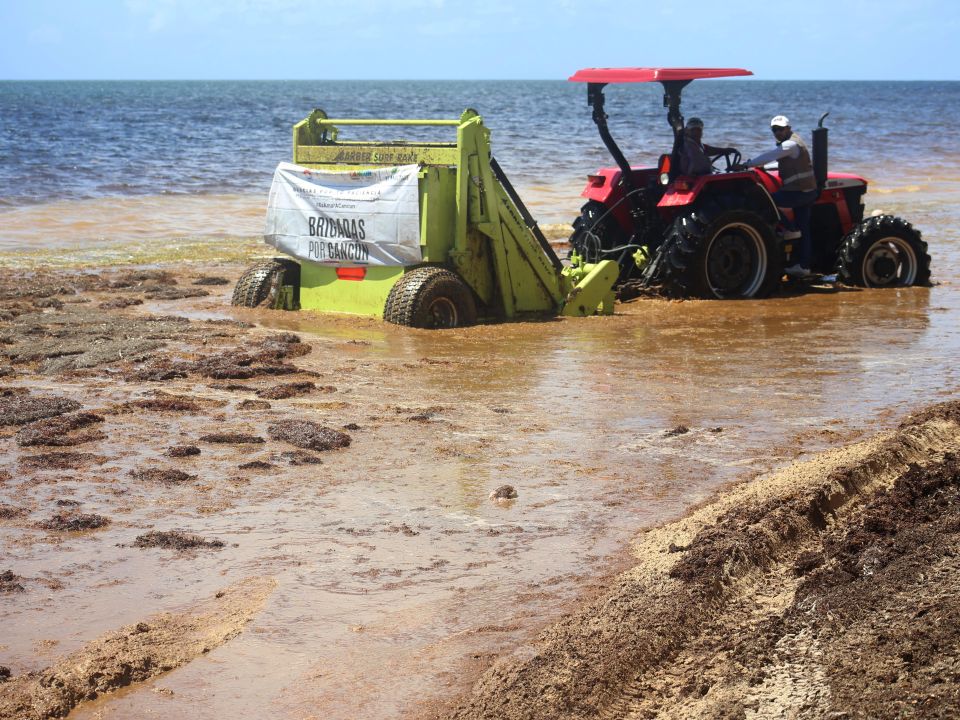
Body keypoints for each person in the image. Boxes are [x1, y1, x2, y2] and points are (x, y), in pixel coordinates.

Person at [736, 115, 818, 277]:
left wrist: (748, 164)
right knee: (805, 230)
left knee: (768, 201)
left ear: (788, 128)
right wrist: (764, 168)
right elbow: (779, 161)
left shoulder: (790, 144)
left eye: (781, 129)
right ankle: (804, 266)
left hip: (800, 193)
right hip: (808, 191)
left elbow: (772, 155)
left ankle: (788, 228)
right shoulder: (792, 145)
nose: (778, 132)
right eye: (774, 130)